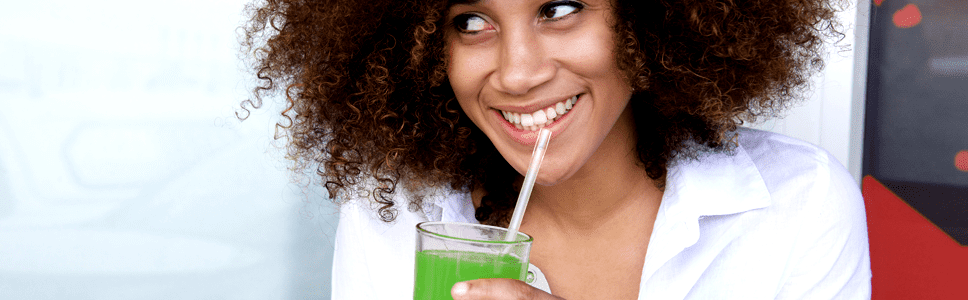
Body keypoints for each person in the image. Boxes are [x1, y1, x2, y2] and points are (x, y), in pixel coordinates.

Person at [240, 0, 870, 299]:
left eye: (560, 9)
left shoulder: (795, 208)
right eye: (471, 22)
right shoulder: (399, 214)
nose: (517, 73)